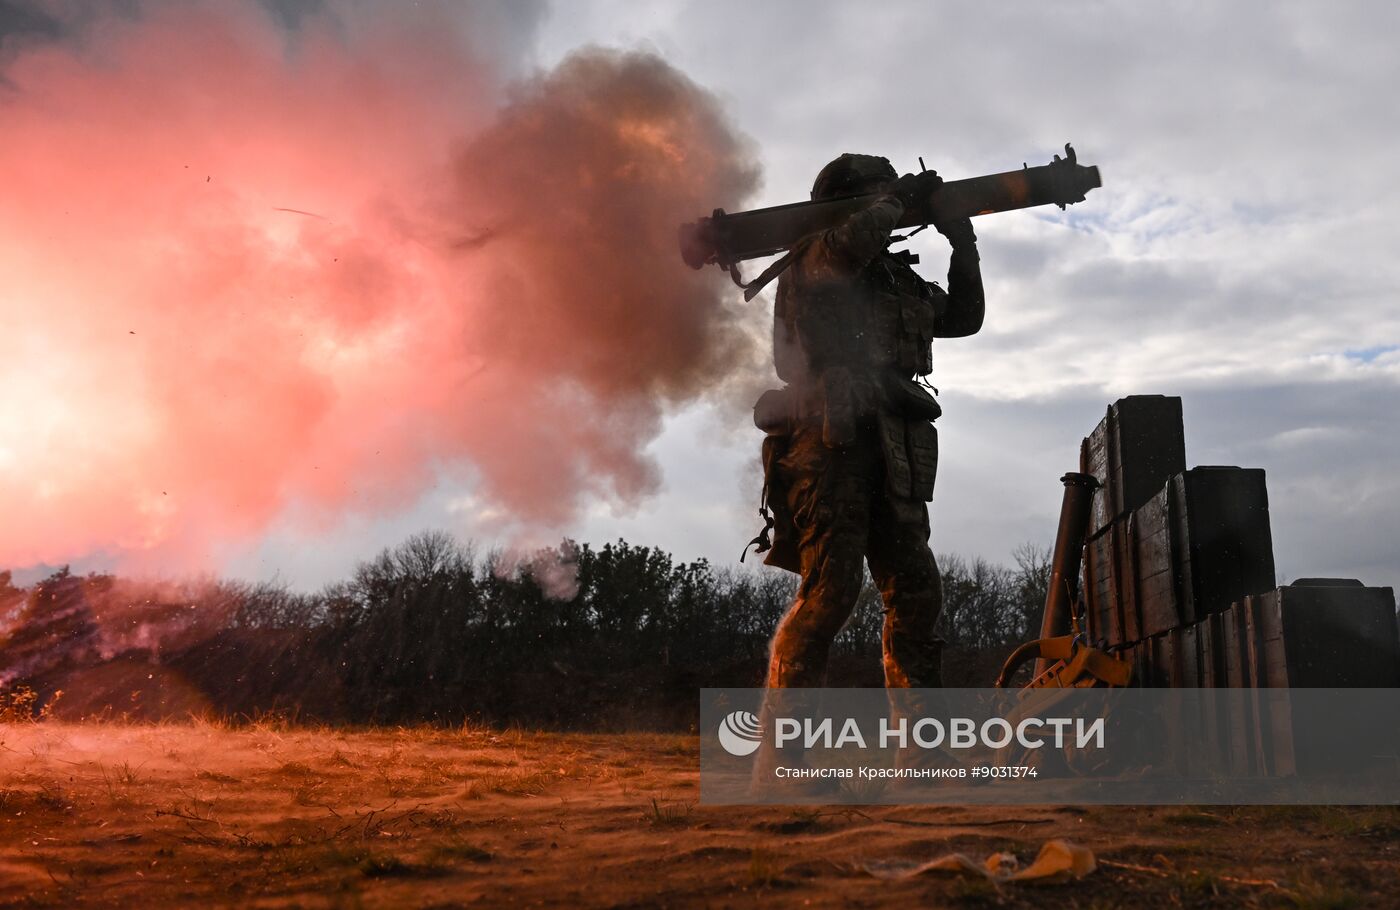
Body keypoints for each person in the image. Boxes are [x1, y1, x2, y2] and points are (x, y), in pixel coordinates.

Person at [751, 152, 985, 695]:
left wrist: (962, 243)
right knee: (830, 591)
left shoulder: (895, 276)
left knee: (917, 593)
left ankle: (919, 759)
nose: (895, 209)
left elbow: (964, 318)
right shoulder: (816, 254)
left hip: (893, 449)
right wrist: (897, 200)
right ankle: (789, 765)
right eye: (879, 196)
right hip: (828, 442)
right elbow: (847, 247)